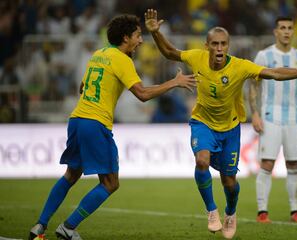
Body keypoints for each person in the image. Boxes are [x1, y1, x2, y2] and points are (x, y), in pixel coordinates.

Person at [144, 9, 297, 239]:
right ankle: (212, 211)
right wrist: (155, 33)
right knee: (202, 161)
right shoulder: (196, 57)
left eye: (223, 44)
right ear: (207, 45)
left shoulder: (240, 66)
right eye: (215, 44)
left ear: (228, 46)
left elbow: (274, 73)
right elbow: (171, 52)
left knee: (229, 181)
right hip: (203, 122)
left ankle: (230, 213)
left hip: (230, 128)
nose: (219, 48)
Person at [28, 14, 197, 240]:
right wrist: (174, 82)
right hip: (95, 123)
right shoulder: (121, 60)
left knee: (71, 174)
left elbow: (82, 86)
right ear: (126, 37)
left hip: (77, 120)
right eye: (137, 36)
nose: (140, 41)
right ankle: (68, 227)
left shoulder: (98, 55)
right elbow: (143, 94)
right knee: (110, 183)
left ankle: (39, 226)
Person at [249, 17, 297, 224]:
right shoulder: (264, 55)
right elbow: (254, 85)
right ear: (275, 32)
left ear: (293, 32)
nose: (286, 32)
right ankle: (262, 212)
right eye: (282, 28)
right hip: (270, 116)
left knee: (293, 164)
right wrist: (255, 113)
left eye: (290, 28)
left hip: (295, 118)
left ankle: (295, 211)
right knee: (267, 163)